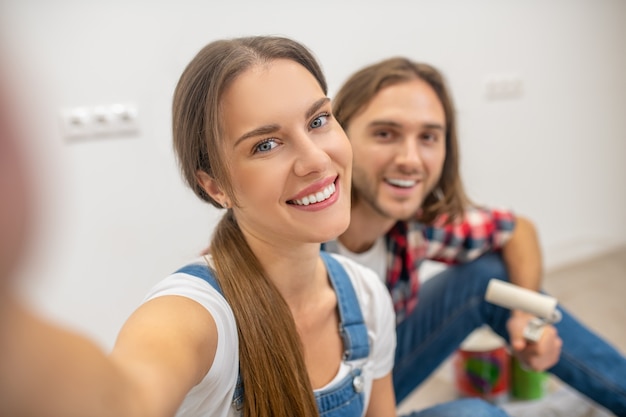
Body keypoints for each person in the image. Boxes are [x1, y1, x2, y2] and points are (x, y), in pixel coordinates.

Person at [0, 35, 404, 417]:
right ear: (215, 186)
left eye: (318, 121)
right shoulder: (198, 315)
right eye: (265, 144)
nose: (315, 159)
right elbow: (123, 398)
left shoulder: (365, 295)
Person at [323, 57, 626, 416]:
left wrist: (525, 314)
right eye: (385, 134)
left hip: (375, 380)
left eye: (428, 137)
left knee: (486, 277)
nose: (410, 159)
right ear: (339, 138)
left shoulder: (414, 226)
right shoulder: (303, 241)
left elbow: (517, 230)